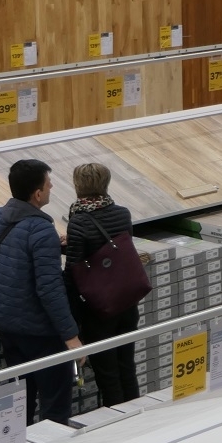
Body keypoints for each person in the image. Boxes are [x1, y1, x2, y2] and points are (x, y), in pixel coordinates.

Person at [0, 159, 82, 426]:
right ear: (37, 194)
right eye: (48, 183)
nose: (51, 186)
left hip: (7, 322)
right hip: (38, 329)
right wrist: (71, 336)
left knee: (21, 398)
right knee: (55, 402)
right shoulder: (41, 229)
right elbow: (49, 289)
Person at [63, 163, 140, 407]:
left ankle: (117, 420)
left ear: (78, 185)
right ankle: (137, 415)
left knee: (107, 374)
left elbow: (74, 272)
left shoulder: (79, 221)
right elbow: (112, 252)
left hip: (99, 309)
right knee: (127, 366)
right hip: (127, 302)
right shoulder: (123, 213)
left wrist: (72, 321)